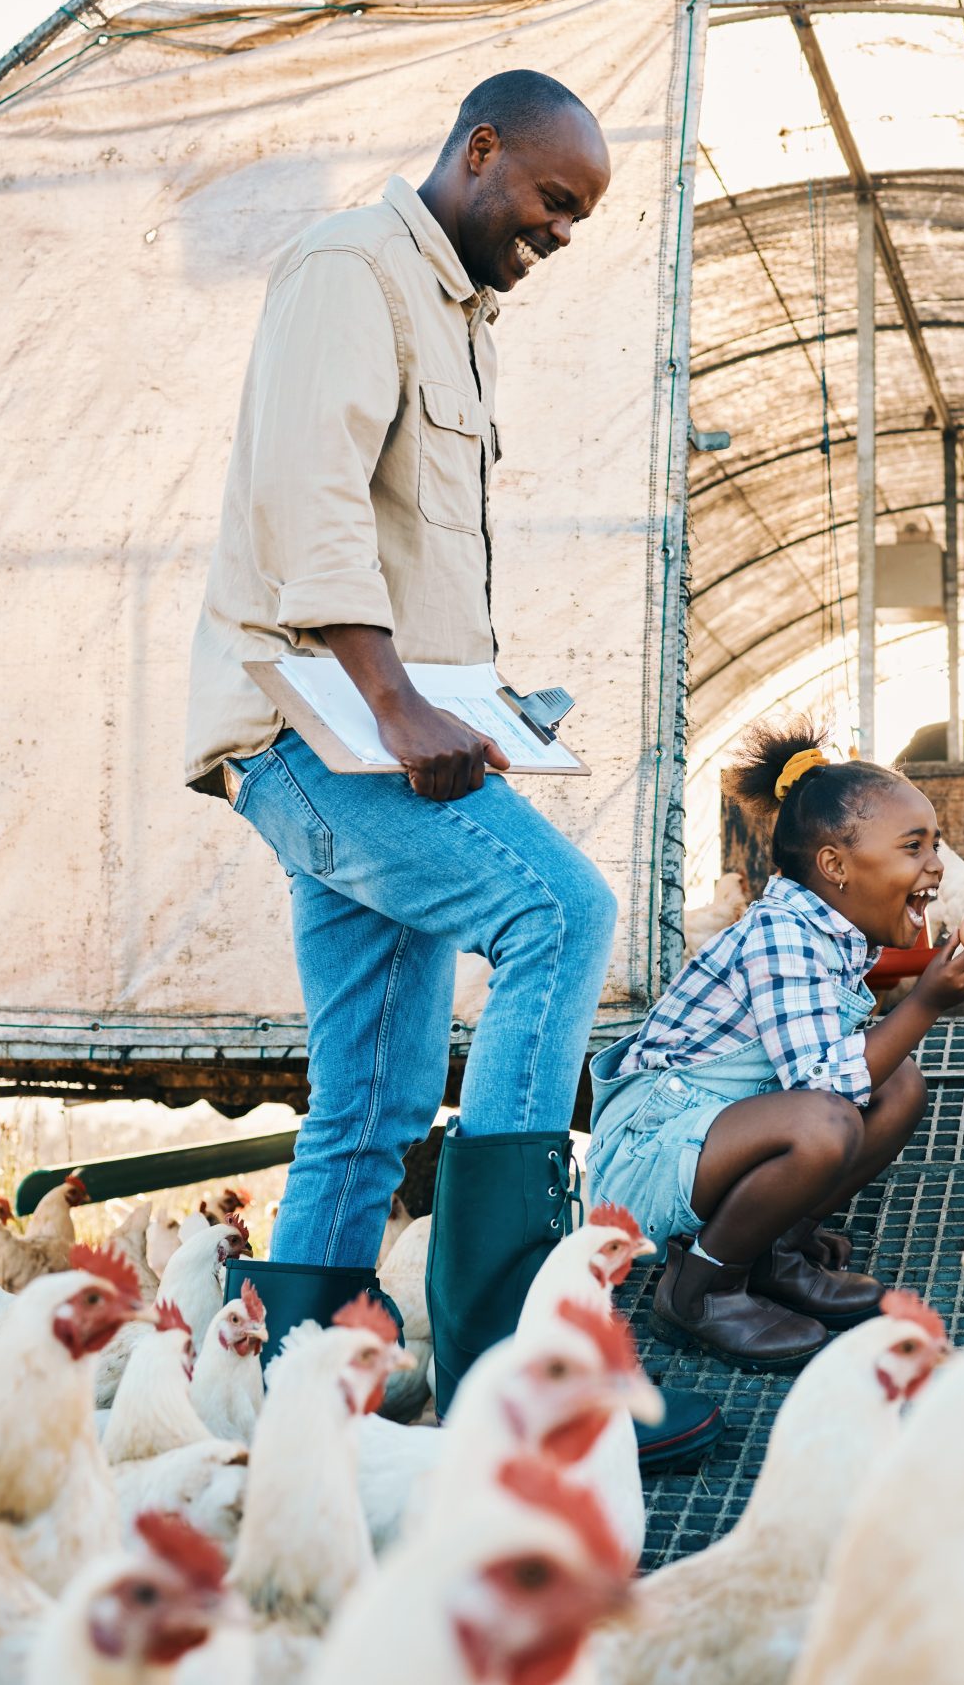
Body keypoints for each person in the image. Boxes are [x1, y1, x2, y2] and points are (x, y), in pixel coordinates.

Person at [183, 71, 719, 1465]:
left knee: (373, 1094)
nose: (561, 233)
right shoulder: (351, 272)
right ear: (480, 150)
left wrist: (467, 702)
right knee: (563, 912)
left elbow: (400, 547)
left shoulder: (455, 312)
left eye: (580, 216)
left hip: (373, 734)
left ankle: (301, 1417)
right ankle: (519, 1379)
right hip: (320, 730)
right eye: (552, 199)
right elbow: (309, 501)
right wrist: (394, 702)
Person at [588, 723, 964, 1368]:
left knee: (898, 1085)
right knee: (823, 1123)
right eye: (913, 847)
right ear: (835, 867)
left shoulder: (831, 933)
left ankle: (773, 1251)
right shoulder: (781, 936)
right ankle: (699, 1291)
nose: (935, 865)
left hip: (713, 1133)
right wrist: (925, 1002)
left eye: (935, 845)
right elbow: (823, 1086)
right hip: (648, 1160)